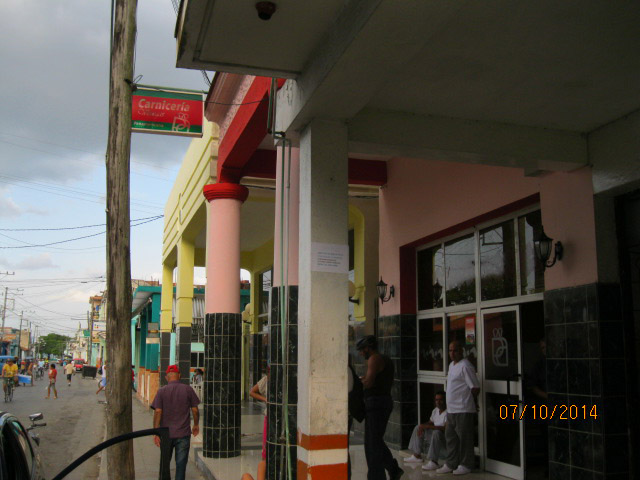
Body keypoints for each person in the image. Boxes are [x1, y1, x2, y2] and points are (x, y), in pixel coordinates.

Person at [356, 335, 403, 480]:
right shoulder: (385, 359)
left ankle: (378, 476)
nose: (361, 353)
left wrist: (356, 383)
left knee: (372, 445)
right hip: (382, 402)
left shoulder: (374, 359)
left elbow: (369, 383)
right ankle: (393, 468)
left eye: (362, 350)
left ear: (368, 348)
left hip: (376, 404)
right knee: (375, 441)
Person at [436, 341, 480, 476]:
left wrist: (468, 400)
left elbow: (475, 387)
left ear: (461, 351)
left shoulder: (466, 366)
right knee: (451, 437)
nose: (452, 353)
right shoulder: (451, 365)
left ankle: (466, 464)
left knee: (465, 438)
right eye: (450, 351)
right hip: (452, 410)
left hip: (463, 409)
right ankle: (451, 463)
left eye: (455, 351)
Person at [151, 365, 200, 480]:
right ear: (180, 376)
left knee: (164, 466)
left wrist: (155, 432)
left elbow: (158, 412)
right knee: (181, 466)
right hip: (183, 434)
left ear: (166, 377)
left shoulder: (161, 391)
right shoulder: (188, 389)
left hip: (165, 434)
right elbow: (195, 410)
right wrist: (196, 425)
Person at [403, 391, 447, 470]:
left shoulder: (449, 412)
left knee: (436, 432)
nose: (438, 402)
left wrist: (428, 426)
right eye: (436, 400)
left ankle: (434, 462)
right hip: (434, 439)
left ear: (446, 400)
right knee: (418, 427)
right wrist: (422, 426)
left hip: (444, 441)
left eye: (441, 400)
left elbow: (445, 428)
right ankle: (417, 456)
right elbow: (430, 422)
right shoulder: (435, 410)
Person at [249, 370, 268, 461]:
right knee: (266, 444)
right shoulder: (266, 380)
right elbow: (252, 392)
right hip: (269, 415)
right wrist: (265, 399)